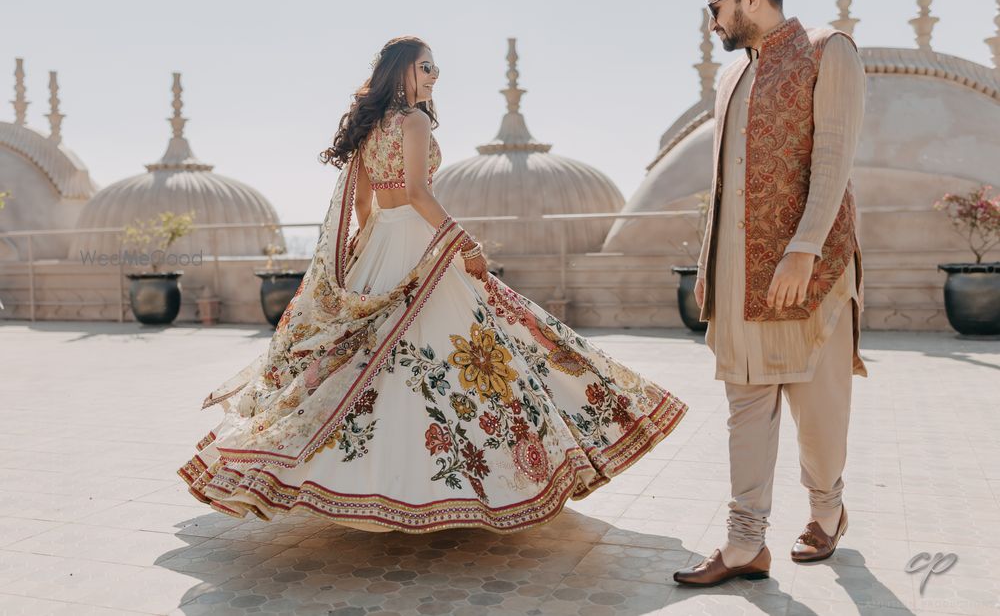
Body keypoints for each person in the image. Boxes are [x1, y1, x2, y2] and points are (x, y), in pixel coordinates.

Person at [178, 36, 688, 533]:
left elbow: (361, 205)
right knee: (466, 348)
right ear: (401, 72)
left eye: (436, 69)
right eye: (426, 67)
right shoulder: (414, 121)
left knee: (365, 359)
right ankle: (448, 489)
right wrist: (465, 243)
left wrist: (365, 248)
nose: (434, 76)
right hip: (419, 244)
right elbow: (420, 193)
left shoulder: (369, 126)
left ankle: (361, 483)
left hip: (378, 243)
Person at [672, 0, 867, 587]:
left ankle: (827, 512)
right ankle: (743, 544)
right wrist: (710, 267)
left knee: (819, 411)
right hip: (737, 275)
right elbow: (722, 183)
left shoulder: (827, 50)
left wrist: (804, 247)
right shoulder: (732, 75)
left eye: (715, 8)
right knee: (745, 407)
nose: (712, 22)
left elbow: (835, 155)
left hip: (807, 271)